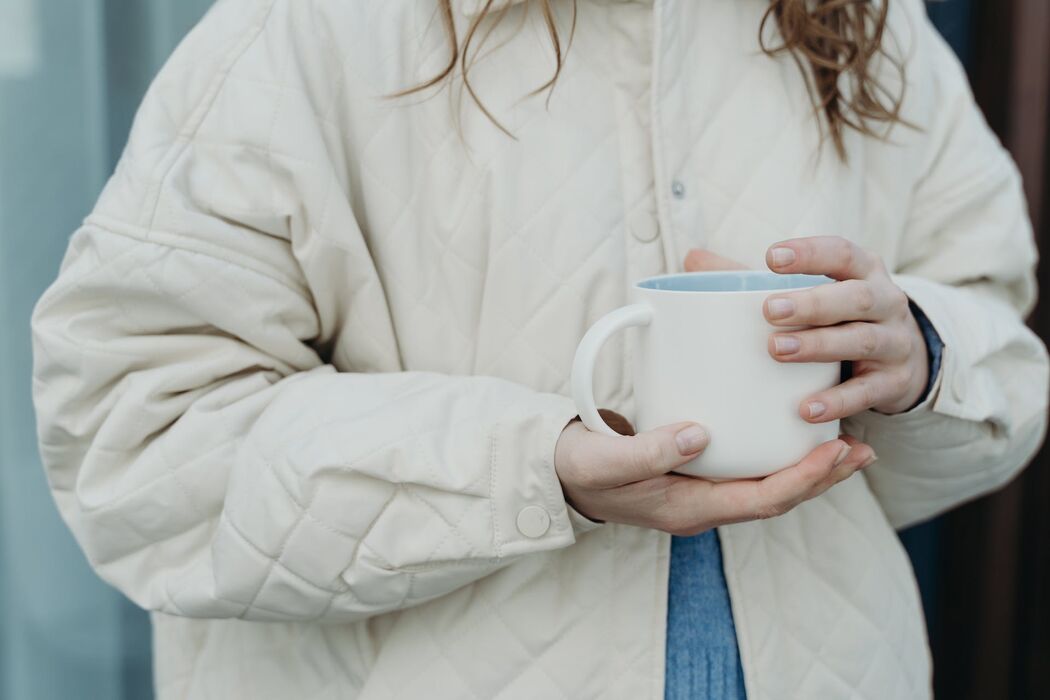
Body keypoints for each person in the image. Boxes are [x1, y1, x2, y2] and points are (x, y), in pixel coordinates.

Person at [30, 0, 1048, 698]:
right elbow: (138, 437)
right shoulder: (305, 28)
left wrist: (918, 350)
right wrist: (536, 467)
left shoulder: (873, 21)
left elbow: (994, 318)